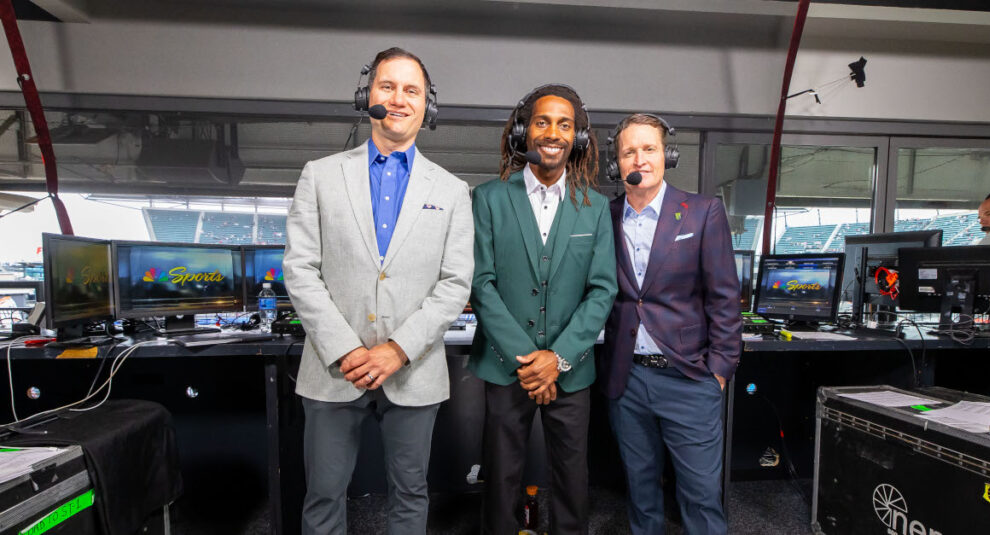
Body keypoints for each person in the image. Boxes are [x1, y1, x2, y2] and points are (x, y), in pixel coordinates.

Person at [283, 47, 474, 535]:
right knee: (323, 494)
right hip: (333, 368)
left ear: (427, 105)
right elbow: (300, 270)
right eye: (387, 86)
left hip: (413, 369)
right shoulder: (319, 175)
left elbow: (455, 283)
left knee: (410, 494)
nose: (399, 98)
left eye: (412, 90)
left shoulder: (452, 191)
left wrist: (398, 349)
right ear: (366, 97)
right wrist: (346, 348)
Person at [468, 84, 617, 535]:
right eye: (542, 121)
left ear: (578, 137)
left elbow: (602, 290)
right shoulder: (489, 198)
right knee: (501, 477)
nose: (553, 132)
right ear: (523, 131)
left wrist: (559, 358)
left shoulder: (595, 207)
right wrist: (528, 360)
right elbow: (481, 283)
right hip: (505, 366)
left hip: (571, 369)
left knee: (572, 481)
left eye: (565, 124)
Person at [599, 113, 742, 535]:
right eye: (629, 151)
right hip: (627, 380)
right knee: (640, 494)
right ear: (616, 162)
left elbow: (724, 297)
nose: (639, 159)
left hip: (689, 377)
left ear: (667, 156)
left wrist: (719, 371)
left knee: (700, 496)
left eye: (650, 149)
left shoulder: (702, 212)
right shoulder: (604, 216)